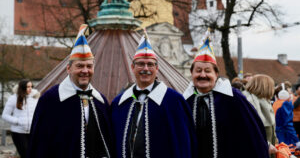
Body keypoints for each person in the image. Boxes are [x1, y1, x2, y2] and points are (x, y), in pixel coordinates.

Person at [28, 24, 113, 158]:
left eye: (89, 66)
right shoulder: (51, 100)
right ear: (68, 69)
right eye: (79, 66)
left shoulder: (100, 101)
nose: (85, 71)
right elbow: (39, 144)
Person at [183, 30, 269, 158]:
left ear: (216, 74)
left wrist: (264, 146)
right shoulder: (185, 101)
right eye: (198, 70)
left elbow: (252, 133)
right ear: (192, 73)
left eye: (208, 71)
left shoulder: (234, 98)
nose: (202, 75)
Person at [111, 32, 198, 158]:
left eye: (150, 64)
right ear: (132, 67)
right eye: (141, 64)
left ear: (157, 69)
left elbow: (183, 144)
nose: (145, 69)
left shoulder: (174, 101)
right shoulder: (120, 103)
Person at [2, 79, 39, 158]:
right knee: (25, 154)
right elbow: (5, 115)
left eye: (31, 86)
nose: (30, 89)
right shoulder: (13, 98)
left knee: (34, 154)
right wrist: (17, 121)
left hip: (33, 131)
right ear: (22, 88)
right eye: (27, 87)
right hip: (18, 132)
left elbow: (39, 113)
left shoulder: (35, 98)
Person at [242, 74, 277, 157]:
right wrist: (267, 144)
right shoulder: (250, 100)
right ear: (264, 87)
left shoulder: (264, 100)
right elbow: (250, 128)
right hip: (259, 150)